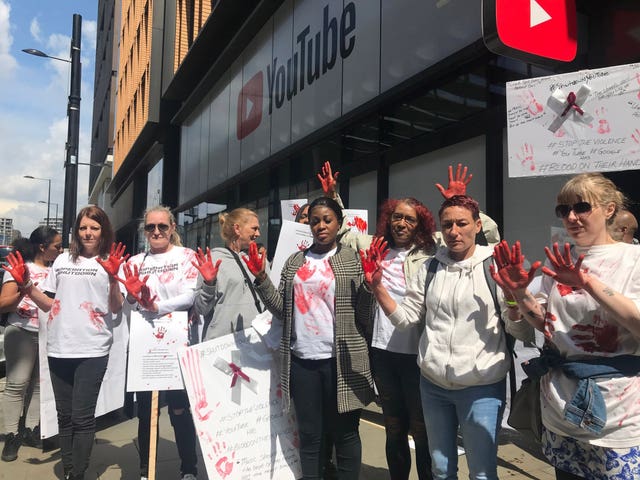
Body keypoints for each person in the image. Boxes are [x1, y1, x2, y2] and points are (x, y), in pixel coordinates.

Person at [361, 195, 532, 480]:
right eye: (448, 224)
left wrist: (515, 302)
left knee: (481, 472)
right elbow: (405, 320)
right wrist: (378, 287)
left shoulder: (494, 268)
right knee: (440, 470)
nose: (454, 231)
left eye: (462, 223)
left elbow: (522, 332)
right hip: (433, 386)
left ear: (478, 226)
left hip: (481, 387)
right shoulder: (430, 268)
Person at [491, 173, 640, 480]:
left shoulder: (633, 259)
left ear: (609, 209)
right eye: (563, 210)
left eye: (582, 207)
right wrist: (520, 294)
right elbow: (546, 325)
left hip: (619, 414)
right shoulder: (560, 259)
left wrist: (588, 282)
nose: (571, 217)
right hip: (560, 409)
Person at [243, 196, 375, 480]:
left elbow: (365, 314)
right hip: (302, 362)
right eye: (315, 221)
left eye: (327, 220)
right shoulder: (295, 262)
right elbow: (282, 311)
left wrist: (371, 286)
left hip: (342, 362)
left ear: (339, 223)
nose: (320, 226)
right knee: (310, 436)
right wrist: (262, 279)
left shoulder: (352, 260)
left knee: (346, 436)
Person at [3, 205, 127, 480]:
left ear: (103, 230)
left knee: (82, 417)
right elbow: (49, 303)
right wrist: (26, 286)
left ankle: (78, 473)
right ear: (76, 231)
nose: (88, 232)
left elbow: (117, 308)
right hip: (59, 348)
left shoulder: (111, 262)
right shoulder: (61, 262)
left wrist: (113, 277)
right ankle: (70, 469)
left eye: (94, 227)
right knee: (65, 416)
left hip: (93, 350)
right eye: (83, 227)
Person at [121, 206, 200, 480]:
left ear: (173, 228)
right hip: (146, 345)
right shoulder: (134, 261)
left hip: (178, 343)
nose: (156, 232)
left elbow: (190, 296)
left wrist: (155, 306)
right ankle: (147, 470)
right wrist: (132, 297)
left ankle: (188, 468)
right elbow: (127, 303)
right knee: (147, 412)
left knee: (179, 408)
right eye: (150, 227)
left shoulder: (187, 256)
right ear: (145, 231)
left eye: (162, 226)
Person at [0, 227, 62, 462]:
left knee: (39, 385)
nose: (60, 249)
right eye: (57, 246)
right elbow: (3, 303)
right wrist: (24, 289)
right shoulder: (21, 267)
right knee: (16, 384)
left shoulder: (58, 269)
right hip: (22, 332)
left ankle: (32, 429)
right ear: (42, 247)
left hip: (48, 334)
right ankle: (12, 435)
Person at [192, 207, 263, 341]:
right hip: (222, 344)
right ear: (237, 229)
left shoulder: (259, 260)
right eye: (254, 228)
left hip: (256, 343)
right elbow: (201, 309)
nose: (258, 233)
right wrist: (209, 284)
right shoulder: (213, 261)